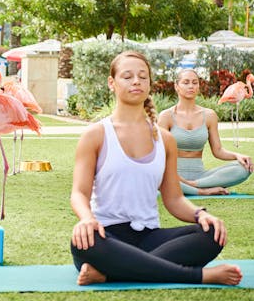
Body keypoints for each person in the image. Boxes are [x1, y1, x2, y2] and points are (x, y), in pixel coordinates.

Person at [70, 51, 242, 286]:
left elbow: (174, 199)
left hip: (150, 236)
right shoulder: (95, 135)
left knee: (211, 234)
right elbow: (79, 193)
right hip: (105, 237)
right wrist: (86, 219)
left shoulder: (165, 139)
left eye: (142, 77)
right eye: (127, 76)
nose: (136, 82)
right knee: (84, 241)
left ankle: (110, 275)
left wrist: (200, 214)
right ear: (112, 83)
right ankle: (197, 276)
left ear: (150, 84)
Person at [158, 69, 252, 196]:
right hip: (172, 174)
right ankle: (202, 191)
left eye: (194, 82)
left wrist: (237, 156)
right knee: (157, 174)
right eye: (186, 82)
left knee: (243, 168)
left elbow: (218, 151)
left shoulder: (209, 115)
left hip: (201, 177)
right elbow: (160, 156)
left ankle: (192, 185)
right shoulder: (166, 116)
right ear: (177, 86)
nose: (191, 86)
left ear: (198, 86)